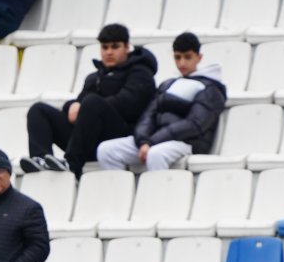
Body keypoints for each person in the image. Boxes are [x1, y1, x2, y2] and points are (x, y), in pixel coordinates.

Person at [20, 24, 157, 179]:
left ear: (126, 47)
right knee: (39, 110)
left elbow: (129, 104)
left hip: (120, 138)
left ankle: (72, 164)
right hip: (87, 138)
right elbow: (78, 104)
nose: (109, 52)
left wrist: (87, 106)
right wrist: (71, 105)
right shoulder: (95, 77)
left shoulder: (141, 73)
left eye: (115, 47)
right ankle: (41, 159)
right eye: (105, 47)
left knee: (92, 103)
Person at [96, 32, 226, 172]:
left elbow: (194, 124)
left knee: (155, 154)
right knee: (106, 151)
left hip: (188, 143)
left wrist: (152, 142)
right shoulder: (167, 84)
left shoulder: (211, 88)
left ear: (199, 57)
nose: (182, 63)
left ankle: (160, 193)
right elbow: (148, 116)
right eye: (177, 57)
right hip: (157, 141)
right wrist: (143, 141)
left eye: (188, 57)